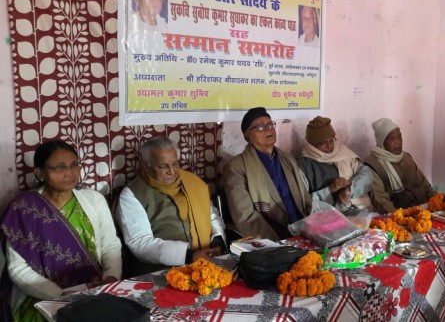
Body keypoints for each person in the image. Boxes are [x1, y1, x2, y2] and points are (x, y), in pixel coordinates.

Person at [0, 141, 121, 321]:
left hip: (95, 287)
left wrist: (109, 278)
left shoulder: (94, 200)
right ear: (39, 173)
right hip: (42, 296)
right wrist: (62, 295)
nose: (69, 172)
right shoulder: (23, 209)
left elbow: (110, 246)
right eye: (59, 167)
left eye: (74, 165)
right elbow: (18, 269)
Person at [115, 137, 225, 277]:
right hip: (162, 272)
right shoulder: (132, 194)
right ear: (146, 166)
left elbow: (212, 217)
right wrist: (189, 256)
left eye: (175, 164)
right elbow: (140, 243)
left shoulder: (193, 183)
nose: (172, 171)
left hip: (208, 263)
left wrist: (217, 242)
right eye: (163, 166)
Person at [223, 107, 312, 240]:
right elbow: (246, 218)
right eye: (260, 127)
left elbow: (305, 198)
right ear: (247, 136)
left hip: (304, 229)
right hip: (275, 237)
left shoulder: (288, 159)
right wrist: (277, 243)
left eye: (270, 124)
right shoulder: (236, 167)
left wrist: (314, 226)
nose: (268, 129)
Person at [298, 116, 374, 213]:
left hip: (360, 211)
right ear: (312, 144)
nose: (329, 146)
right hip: (330, 219)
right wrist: (329, 190)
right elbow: (304, 204)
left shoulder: (343, 153)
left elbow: (367, 175)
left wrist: (350, 189)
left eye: (331, 141)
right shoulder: (304, 167)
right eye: (323, 143)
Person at [364, 118, 436, 214]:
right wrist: (400, 217)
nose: (397, 142)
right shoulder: (372, 164)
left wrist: (438, 201)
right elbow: (380, 200)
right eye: (392, 138)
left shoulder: (406, 157)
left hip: (424, 209)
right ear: (382, 142)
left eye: (399, 137)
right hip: (400, 214)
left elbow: (424, 185)